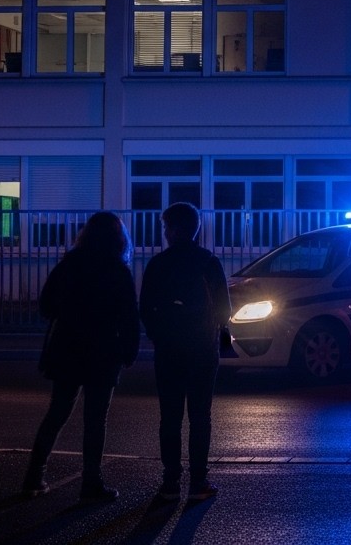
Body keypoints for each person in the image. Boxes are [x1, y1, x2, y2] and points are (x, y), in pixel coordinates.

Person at [23, 211, 140, 503]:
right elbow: (128, 315)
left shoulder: (70, 264)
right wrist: (129, 350)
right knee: (95, 419)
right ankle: (91, 483)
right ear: (118, 238)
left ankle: (34, 475)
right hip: (104, 351)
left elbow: (47, 305)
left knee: (58, 411)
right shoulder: (117, 269)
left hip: (69, 348)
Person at [140, 202, 231, 502]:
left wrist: (159, 335)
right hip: (202, 350)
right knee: (200, 416)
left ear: (176, 229)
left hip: (169, 350)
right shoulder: (208, 262)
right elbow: (224, 309)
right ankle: (198, 481)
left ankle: (170, 482)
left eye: (166, 227)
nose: (165, 233)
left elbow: (146, 308)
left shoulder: (158, 264)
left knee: (170, 416)